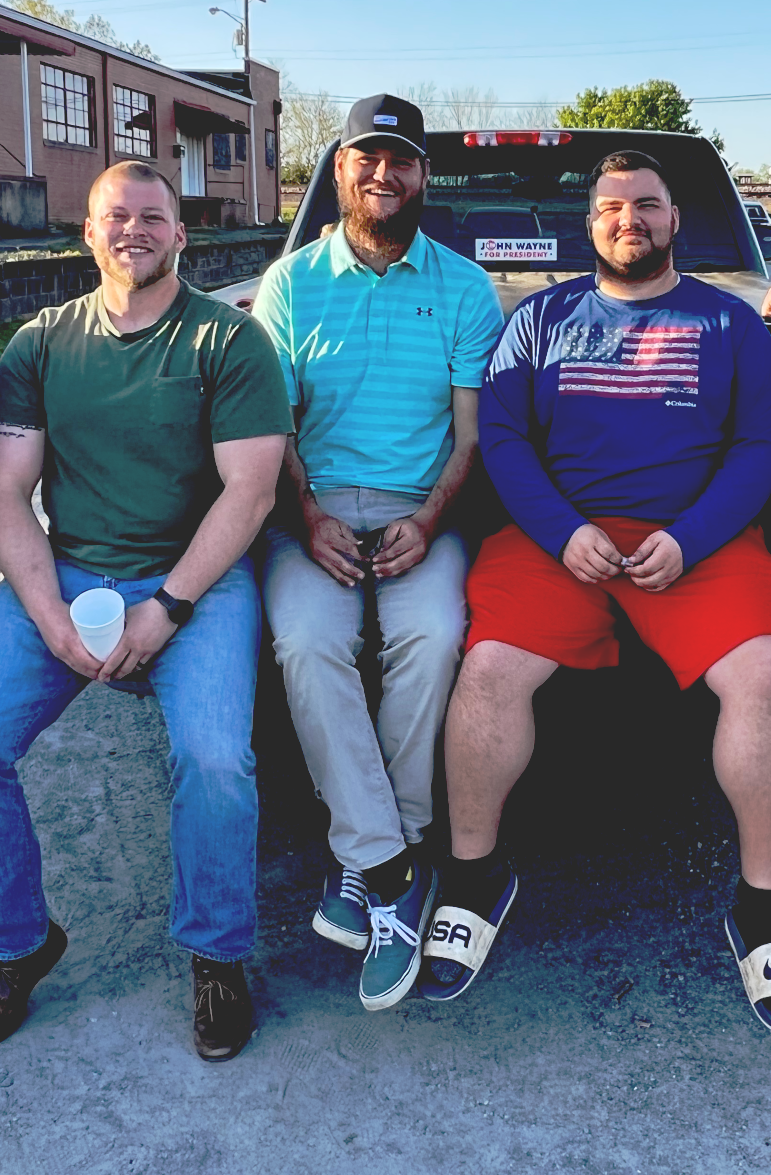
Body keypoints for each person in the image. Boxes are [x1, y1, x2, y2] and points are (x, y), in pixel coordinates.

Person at [420, 149, 771, 1037]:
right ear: (589, 222)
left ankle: (763, 910)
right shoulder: (538, 321)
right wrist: (564, 531)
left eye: (647, 205)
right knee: (486, 672)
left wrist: (693, 536)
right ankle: (476, 878)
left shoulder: (731, 323)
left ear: (677, 220)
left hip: (696, 542)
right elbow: (509, 442)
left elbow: (760, 448)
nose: (628, 219)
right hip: (559, 538)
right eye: (611, 207)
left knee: (764, 677)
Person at [0, 160, 291, 1061]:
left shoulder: (228, 343)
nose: (133, 230)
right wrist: (48, 612)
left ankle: (215, 953)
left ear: (180, 234)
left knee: (213, 759)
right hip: (67, 575)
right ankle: (13, 947)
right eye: (114, 216)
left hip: (194, 582)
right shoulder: (42, 345)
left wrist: (165, 609)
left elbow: (249, 494)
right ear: (86, 232)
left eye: (152, 217)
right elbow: (8, 492)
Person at [251, 95, 504, 1012]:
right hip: (306, 511)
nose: (383, 174)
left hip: (418, 510)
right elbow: (269, 422)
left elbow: (470, 438)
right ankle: (393, 868)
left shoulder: (466, 289)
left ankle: (368, 859)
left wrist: (432, 520)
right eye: (366, 157)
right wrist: (309, 512)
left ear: (422, 175)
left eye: (400, 160)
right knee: (307, 645)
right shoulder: (290, 284)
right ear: (341, 170)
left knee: (433, 638)